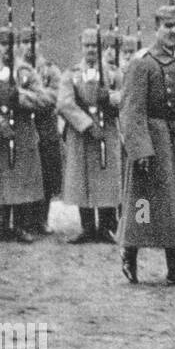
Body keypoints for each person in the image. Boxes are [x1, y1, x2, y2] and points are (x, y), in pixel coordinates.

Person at [119, 4, 175, 287]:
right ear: (156, 28)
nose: (173, 32)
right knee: (142, 205)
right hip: (151, 140)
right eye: (167, 27)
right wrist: (140, 149)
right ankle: (129, 256)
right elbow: (131, 110)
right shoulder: (142, 63)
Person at [0, 25, 46, 242]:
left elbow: (43, 99)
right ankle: (1, 225)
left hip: (21, 130)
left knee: (20, 175)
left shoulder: (25, 72)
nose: (7, 49)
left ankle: (21, 226)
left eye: (11, 44)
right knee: (1, 176)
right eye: (3, 44)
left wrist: (20, 95)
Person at [58, 29, 124, 244]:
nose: (91, 50)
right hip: (81, 133)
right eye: (87, 46)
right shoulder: (72, 73)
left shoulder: (113, 74)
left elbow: (126, 97)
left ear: (102, 48)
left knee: (106, 176)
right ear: (81, 47)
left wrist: (111, 98)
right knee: (81, 177)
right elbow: (64, 103)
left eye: (94, 46)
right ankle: (87, 227)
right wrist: (86, 125)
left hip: (107, 129)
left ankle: (106, 227)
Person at [19, 26, 61, 235]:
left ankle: (41, 219)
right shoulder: (15, 70)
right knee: (23, 174)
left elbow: (55, 98)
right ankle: (23, 221)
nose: (29, 46)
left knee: (46, 174)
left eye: (33, 42)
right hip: (22, 129)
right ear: (19, 45)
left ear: (40, 43)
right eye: (25, 42)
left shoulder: (50, 70)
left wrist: (24, 99)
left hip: (46, 129)